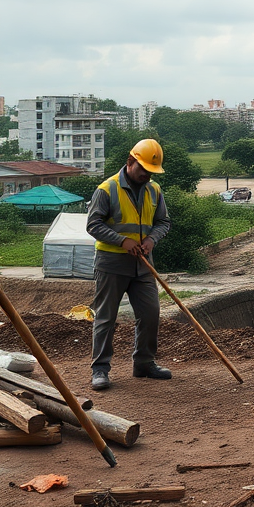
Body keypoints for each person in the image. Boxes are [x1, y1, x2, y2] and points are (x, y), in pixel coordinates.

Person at [87, 138, 173, 390]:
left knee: (150, 314)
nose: (146, 175)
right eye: (143, 170)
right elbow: (93, 225)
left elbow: (163, 223)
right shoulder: (107, 189)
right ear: (130, 162)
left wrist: (151, 240)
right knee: (106, 318)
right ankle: (100, 369)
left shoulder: (154, 190)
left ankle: (144, 363)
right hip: (112, 264)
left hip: (143, 264)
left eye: (151, 172)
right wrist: (121, 241)